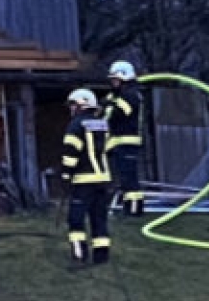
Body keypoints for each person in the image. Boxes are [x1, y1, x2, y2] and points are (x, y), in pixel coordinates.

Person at [61, 88, 112, 266]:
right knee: (99, 218)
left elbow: (70, 152)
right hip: (103, 179)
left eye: (73, 105)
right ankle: (101, 256)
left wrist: (66, 174)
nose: (71, 109)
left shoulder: (75, 125)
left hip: (83, 180)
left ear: (81, 105)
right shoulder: (102, 124)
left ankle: (79, 254)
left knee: (76, 219)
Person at [104, 61, 146, 217]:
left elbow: (119, 113)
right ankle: (128, 208)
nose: (113, 82)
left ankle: (134, 211)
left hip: (128, 142)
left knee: (130, 179)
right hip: (117, 142)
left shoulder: (131, 95)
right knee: (124, 178)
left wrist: (109, 104)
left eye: (116, 79)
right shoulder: (118, 95)